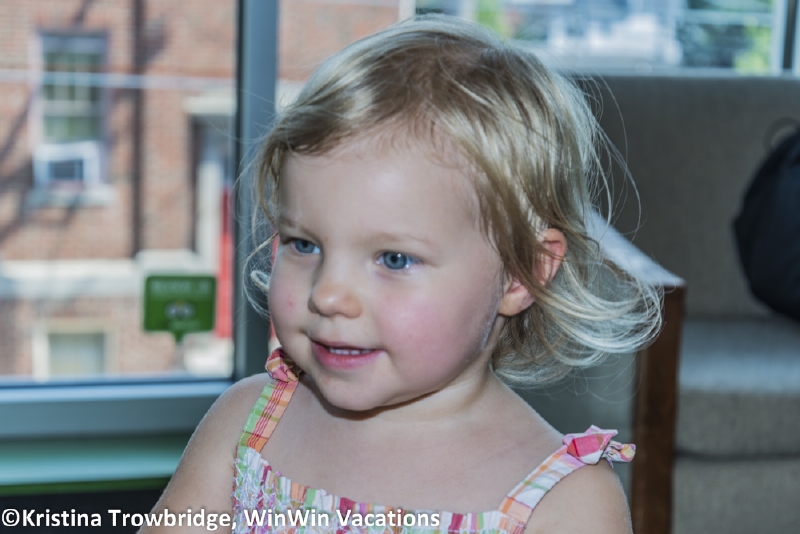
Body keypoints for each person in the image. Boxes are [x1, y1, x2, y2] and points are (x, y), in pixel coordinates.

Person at [142, 15, 660, 534]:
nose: (328, 294)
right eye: (305, 244)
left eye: (393, 259)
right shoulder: (248, 424)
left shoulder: (565, 503)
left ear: (520, 274)